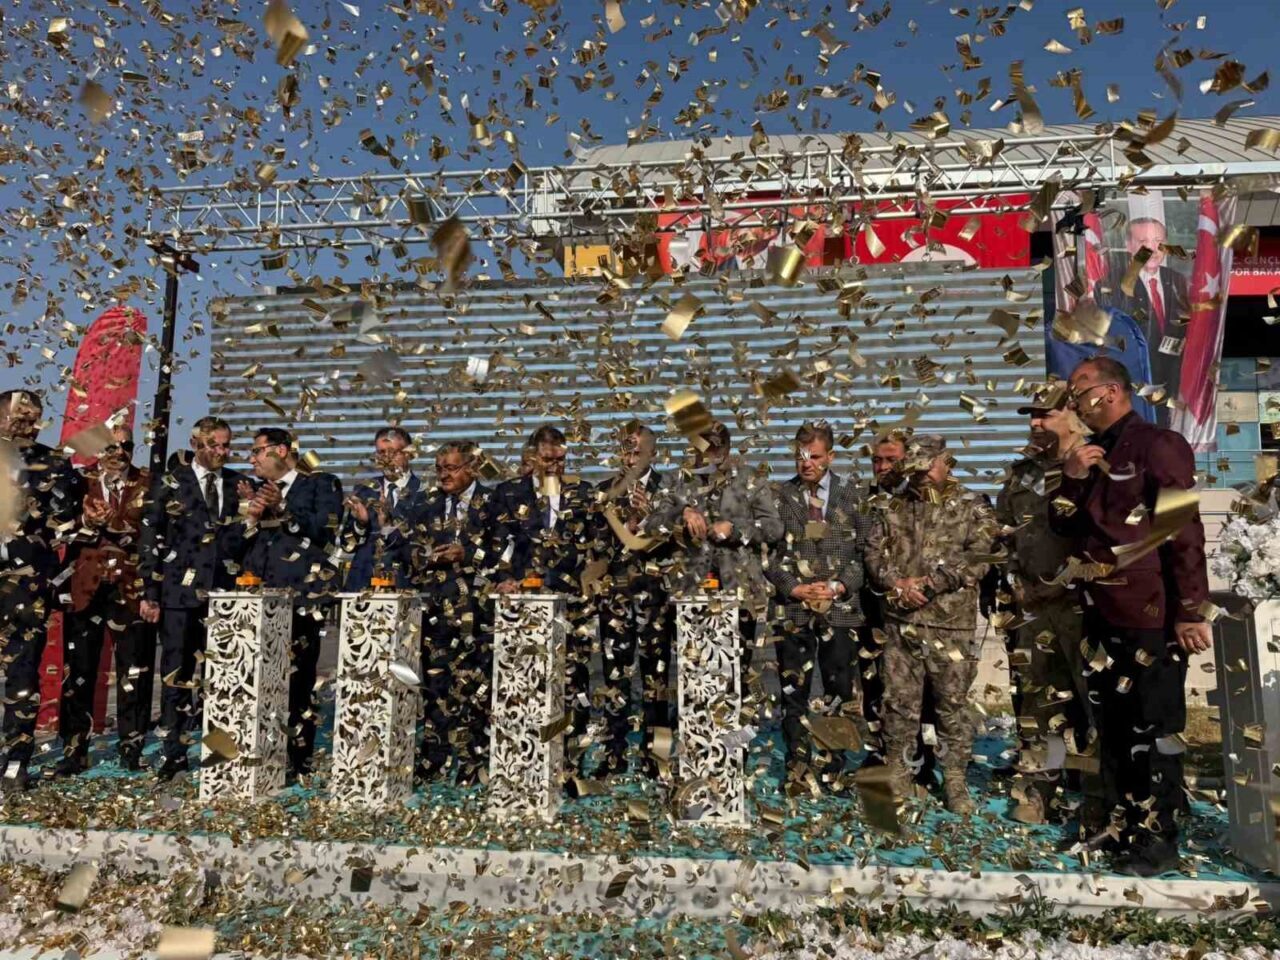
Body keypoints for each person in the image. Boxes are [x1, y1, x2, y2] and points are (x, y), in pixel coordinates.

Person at [1051, 356, 1210, 877]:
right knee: (1115, 730)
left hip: (1150, 615)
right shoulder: (1093, 452)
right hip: (1102, 614)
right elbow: (1065, 526)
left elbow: (1182, 529)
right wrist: (1071, 478)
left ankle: (1159, 840)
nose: (1072, 405)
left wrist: (1190, 611)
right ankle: (1124, 827)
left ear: (1111, 391)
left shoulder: (1156, 444)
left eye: (1078, 394)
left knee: (1155, 729)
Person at [865, 434, 998, 815]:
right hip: (902, 625)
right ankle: (900, 776)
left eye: (927, 469)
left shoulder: (973, 506)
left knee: (951, 707)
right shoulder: (893, 505)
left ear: (946, 463)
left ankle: (954, 780)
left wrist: (933, 584)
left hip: (950, 626)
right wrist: (896, 584)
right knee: (899, 705)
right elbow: (874, 554)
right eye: (915, 471)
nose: (921, 477)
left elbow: (983, 555)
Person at [996, 383, 1099, 826]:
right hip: (1032, 607)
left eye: (1045, 414)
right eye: (1031, 416)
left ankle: (1098, 796)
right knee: (1038, 703)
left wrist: (1064, 583)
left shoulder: (1097, 461)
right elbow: (1004, 534)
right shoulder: (1021, 474)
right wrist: (1014, 583)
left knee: (1093, 702)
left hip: (1084, 605)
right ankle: (1038, 790)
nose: (1035, 423)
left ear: (1072, 414)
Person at [642, 422, 783, 734]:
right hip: (689, 595)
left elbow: (774, 528)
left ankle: (733, 755)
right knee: (694, 676)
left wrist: (735, 529)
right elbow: (651, 524)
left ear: (727, 449)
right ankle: (695, 747)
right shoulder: (677, 480)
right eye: (701, 448)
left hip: (740, 595)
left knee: (736, 676)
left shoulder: (751, 479)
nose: (707, 454)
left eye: (715, 448)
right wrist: (681, 516)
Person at [139, 416, 248, 782]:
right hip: (178, 596)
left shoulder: (237, 484)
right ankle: (173, 754)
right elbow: (150, 538)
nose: (221, 452)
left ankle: (221, 752)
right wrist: (149, 593)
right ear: (196, 442)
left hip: (226, 598)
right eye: (214, 445)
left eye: (226, 445)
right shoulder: (170, 484)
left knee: (222, 677)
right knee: (177, 675)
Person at [488, 425, 598, 768]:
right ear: (532, 457)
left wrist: (591, 580)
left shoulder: (582, 492)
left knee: (572, 679)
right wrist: (505, 580)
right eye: (548, 459)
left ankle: (570, 760)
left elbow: (596, 546)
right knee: (527, 678)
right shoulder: (507, 493)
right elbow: (496, 545)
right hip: (523, 604)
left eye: (561, 459)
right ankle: (525, 754)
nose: (555, 466)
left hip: (571, 603)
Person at [240, 428, 344, 778]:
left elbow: (323, 533)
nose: (252, 458)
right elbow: (235, 546)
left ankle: (297, 760)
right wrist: (249, 518)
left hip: (302, 599)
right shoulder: (251, 491)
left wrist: (282, 508)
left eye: (257, 451)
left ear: (281, 450)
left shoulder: (320, 484)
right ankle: (257, 755)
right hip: (256, 600)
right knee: (256, 681)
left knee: (297, 682)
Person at [768, 422, 866, 791]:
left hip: (840, 611)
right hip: (793, 611)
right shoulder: (779, 497)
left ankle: (833, 769)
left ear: (832, 457)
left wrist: (838, 586)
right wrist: (794, 588)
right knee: (794, 694)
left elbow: (865, 553)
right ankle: (797, 766)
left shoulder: (853, 495)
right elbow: (768, 556)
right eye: (800, 456)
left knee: (838, 694)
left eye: (815, 456)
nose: (806, 463)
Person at [0, 390, 83, 791]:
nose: (27, 422)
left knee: (22, 670)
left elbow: (64, 519)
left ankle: (15, 760)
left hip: (26, 581)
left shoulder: (53, 463)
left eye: (33, 416)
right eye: (19, 414)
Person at [59, 426, 154, 774]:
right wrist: (86, 520)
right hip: (85, 590)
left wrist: (118, 526)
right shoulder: (78, 482)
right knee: (79, 672)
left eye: (126, 445)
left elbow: (157, 533)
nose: (119, 453)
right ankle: (74, 751)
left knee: (135, 671)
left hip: (131, 589)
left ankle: (132, 748)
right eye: (111, 446)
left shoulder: (148, 482)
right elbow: (57, 529)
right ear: (98, 449)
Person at [592, 423, 674, 778]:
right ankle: (614, 755)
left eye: (637, 450)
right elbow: (597, 549)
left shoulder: (671, 490)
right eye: (626, 448)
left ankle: (657, 759)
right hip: (616, 601)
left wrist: (652, 514)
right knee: (614, 679)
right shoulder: (604, 490)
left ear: (653, 453)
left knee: (657, 682)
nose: (630, 455)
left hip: (656, 600)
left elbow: (681, 545)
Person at [414, 440, 494, 784]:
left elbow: (509, 548)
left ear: (472, 468)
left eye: (451, 468)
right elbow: (409, 548)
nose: (444, 475)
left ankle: (474, 760)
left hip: (480, 609)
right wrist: (431, 556)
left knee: (477, 687)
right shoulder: (426, 503)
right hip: (436, 609)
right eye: (439, 468)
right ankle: (434, 757)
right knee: (436, 686)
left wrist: (469, 553)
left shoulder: (495, 501)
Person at [1097, 217, 1189, 416]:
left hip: (1173, 382)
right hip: (1135, 383)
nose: (1153, 250)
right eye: (1144, 243)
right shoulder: (1112, 284)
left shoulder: (1177, 280)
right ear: (1129, 246)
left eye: (1159, 242)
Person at [340, 426, 427, 591]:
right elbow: (346, 545)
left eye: (393, 452)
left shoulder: (424, 492)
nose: (386, 458)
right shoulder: (365, 490)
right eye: (381, 453)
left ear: (408, 453)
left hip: (404, 584)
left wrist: (388, 525)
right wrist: (361, 524)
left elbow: (422, 547)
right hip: (362, 584)